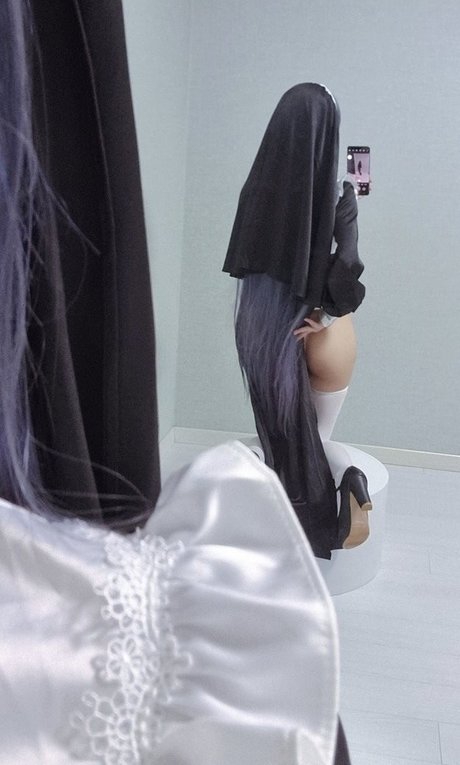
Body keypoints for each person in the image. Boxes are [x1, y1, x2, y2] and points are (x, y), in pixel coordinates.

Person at [0, 6, 352, 764]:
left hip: (267, 322)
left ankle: (318, 498)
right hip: (305, 333)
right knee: (316, 440)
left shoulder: (265, 212)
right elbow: (346, 284)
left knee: (294, 432)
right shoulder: (332, 202)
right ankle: (325, 506)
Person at [223, 83, 371, 559]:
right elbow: (348, 261)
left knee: (282, 438)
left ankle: (257, 487)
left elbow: (245, 261)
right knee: (319, 439)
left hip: (267, 327)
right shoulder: (341, 193)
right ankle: (351, 480)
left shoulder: (257, 190)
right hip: (322, 330)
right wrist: (326, 315)